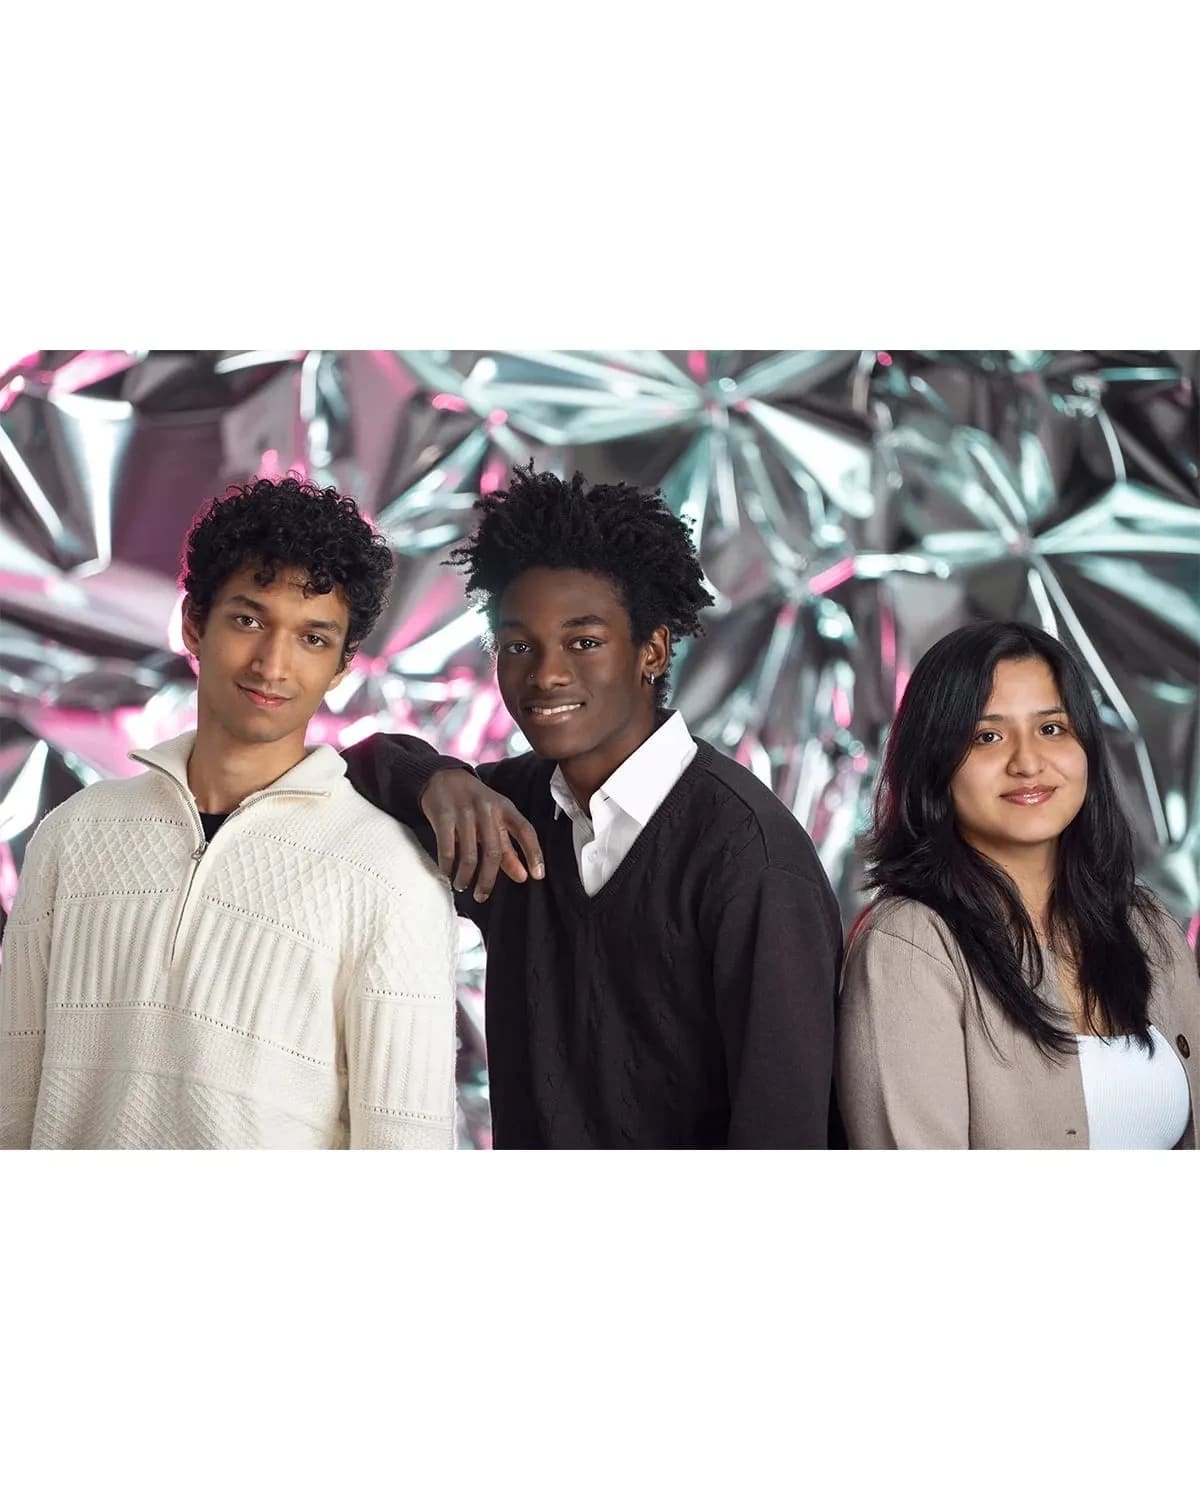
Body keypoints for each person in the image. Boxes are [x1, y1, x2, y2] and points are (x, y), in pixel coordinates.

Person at [343, 462, 842, 1149]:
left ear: (653, 648)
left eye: (584, 641)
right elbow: (347, 775)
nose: (546, 673)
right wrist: (436, 781)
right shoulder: (511, 811)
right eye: (519, 645)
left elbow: (784, 1139)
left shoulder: (749, 858)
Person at [0, 476, 458, 1149]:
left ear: (341, 667)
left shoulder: (392, 881)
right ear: (194, 623)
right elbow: (12, 1103)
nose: (273, 664)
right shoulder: (74, 836)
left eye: (312, 638)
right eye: (249, 620)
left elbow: (406, 1150)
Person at [836, 621, 1198, 1149]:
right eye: (988, 736)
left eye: (1052, 729)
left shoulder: (1148, 927)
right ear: (937, 763)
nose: (1028, 762)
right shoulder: (910, 947)